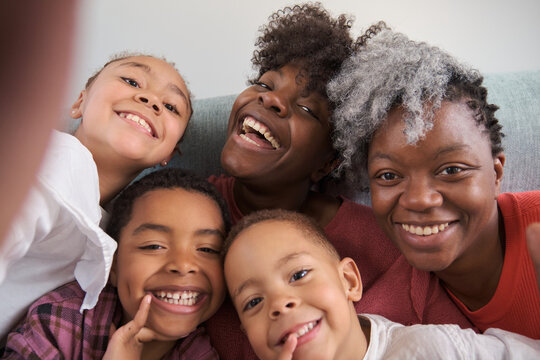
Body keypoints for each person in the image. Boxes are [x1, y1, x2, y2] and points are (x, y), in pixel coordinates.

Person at [206, 4, 474, 360]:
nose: (270, 99)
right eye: (264, 84)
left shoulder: (387, 243)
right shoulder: (192, 215)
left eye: (306, 109)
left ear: (328, 162)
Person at [329, 28, 540, 338]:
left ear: (496, 174)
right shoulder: (392, 316)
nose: (419, 199)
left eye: (451, 170)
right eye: (389, 176)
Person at [0, 53, 193, 337]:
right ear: (79, 103)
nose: (151, 100)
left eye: (170, 106)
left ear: (168, 154)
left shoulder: (114, 224)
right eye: (131, 81)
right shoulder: (53, 163)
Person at [223, 209, 540, 360]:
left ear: (348, 281)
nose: (279, 303)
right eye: (253, 302)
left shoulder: (429, 350)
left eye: (298, 275)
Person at [2, 168, 228, 359]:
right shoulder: (57, 322)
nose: (183, 264)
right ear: (113, 265)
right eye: (154, 246)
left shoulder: (205, 352)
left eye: (208, 249)